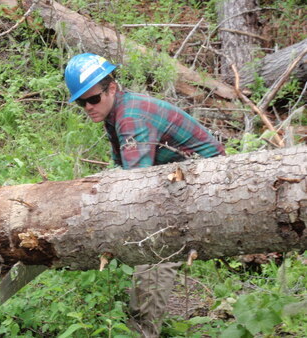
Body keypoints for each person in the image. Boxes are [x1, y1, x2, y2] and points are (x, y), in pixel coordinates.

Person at [64, 53, 225, 337]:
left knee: (155, 242)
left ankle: (143, 330)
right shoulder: (116, 111)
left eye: (93, 99)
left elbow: (136, 185)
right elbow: (122, 169)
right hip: (178, 176)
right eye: (81, 102)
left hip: (209, 182)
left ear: (112, 88)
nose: (88, 107)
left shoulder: (131, 116)